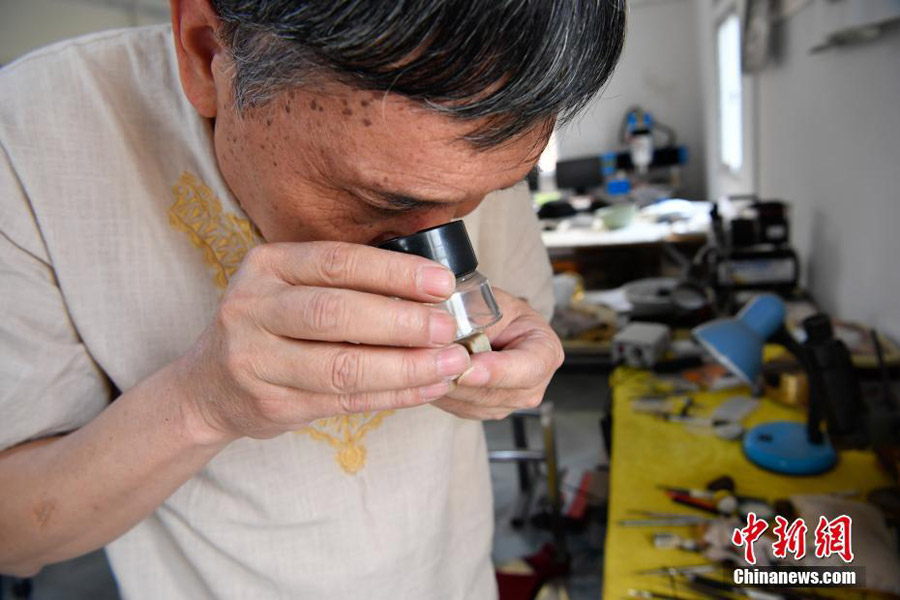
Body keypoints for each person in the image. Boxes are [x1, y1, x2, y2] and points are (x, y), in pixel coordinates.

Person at [0, 1, 625, 597]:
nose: (438, 245)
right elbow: (14, 539)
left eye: (488, 192)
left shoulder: (480, 127)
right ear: (206, 50)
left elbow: (527, 325)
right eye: (384, 201)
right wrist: (203, 402)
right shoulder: (31, 139)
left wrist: (508, 370)